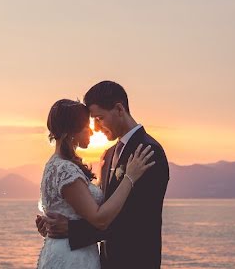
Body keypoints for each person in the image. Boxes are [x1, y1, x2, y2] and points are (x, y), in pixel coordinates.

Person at [37, 81, 170, 269]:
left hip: (136, 262)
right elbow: (101, 207)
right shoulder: (108, 155)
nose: (96, 128)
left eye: (99, 118)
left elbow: (136, 220)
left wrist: (72, 229)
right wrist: (53, 222)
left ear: (119, 109)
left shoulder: (148, 151)